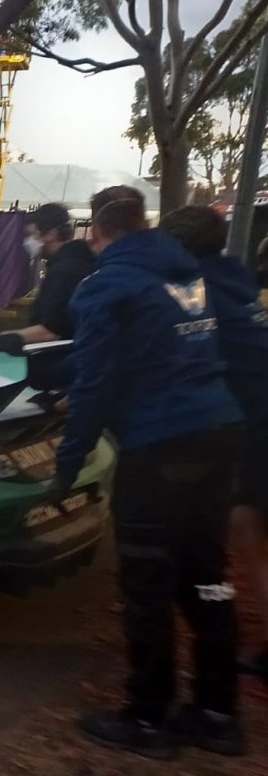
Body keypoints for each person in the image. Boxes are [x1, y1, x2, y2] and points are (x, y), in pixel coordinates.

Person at [49, 186, 246, 759]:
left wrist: (68, 464)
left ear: (97, 231)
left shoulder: (107, 283)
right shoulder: (188, 272)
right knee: (207, 577)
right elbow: (158, 349)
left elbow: (94, 383)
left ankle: (147, 718)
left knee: (147, 584)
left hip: (161, 447)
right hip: (219, 431)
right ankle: (217, 714)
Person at [160, 205, 268, 684]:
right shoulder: (235, 278)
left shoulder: (195, 290)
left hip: (253, 422)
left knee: (227, 541)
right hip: (253, 420)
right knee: (245, 526)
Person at [17, 203, 95, 343]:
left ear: (51, 234)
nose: (28, 242)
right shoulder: (78, 262)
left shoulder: (65, 271)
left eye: (31, 235)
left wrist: (5, 338)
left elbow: (52, 330)